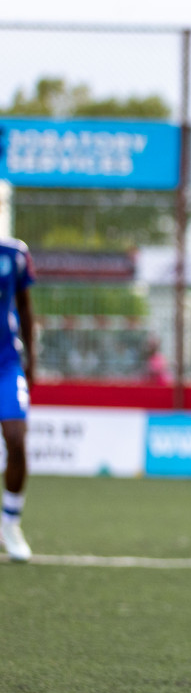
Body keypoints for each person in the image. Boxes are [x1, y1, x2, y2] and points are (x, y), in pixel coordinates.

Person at [0, 237, 34, 563]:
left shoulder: (14, 253)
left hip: (6, 363)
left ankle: (10, 524)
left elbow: (24, 305)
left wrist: (32, 359)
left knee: (16, 438)